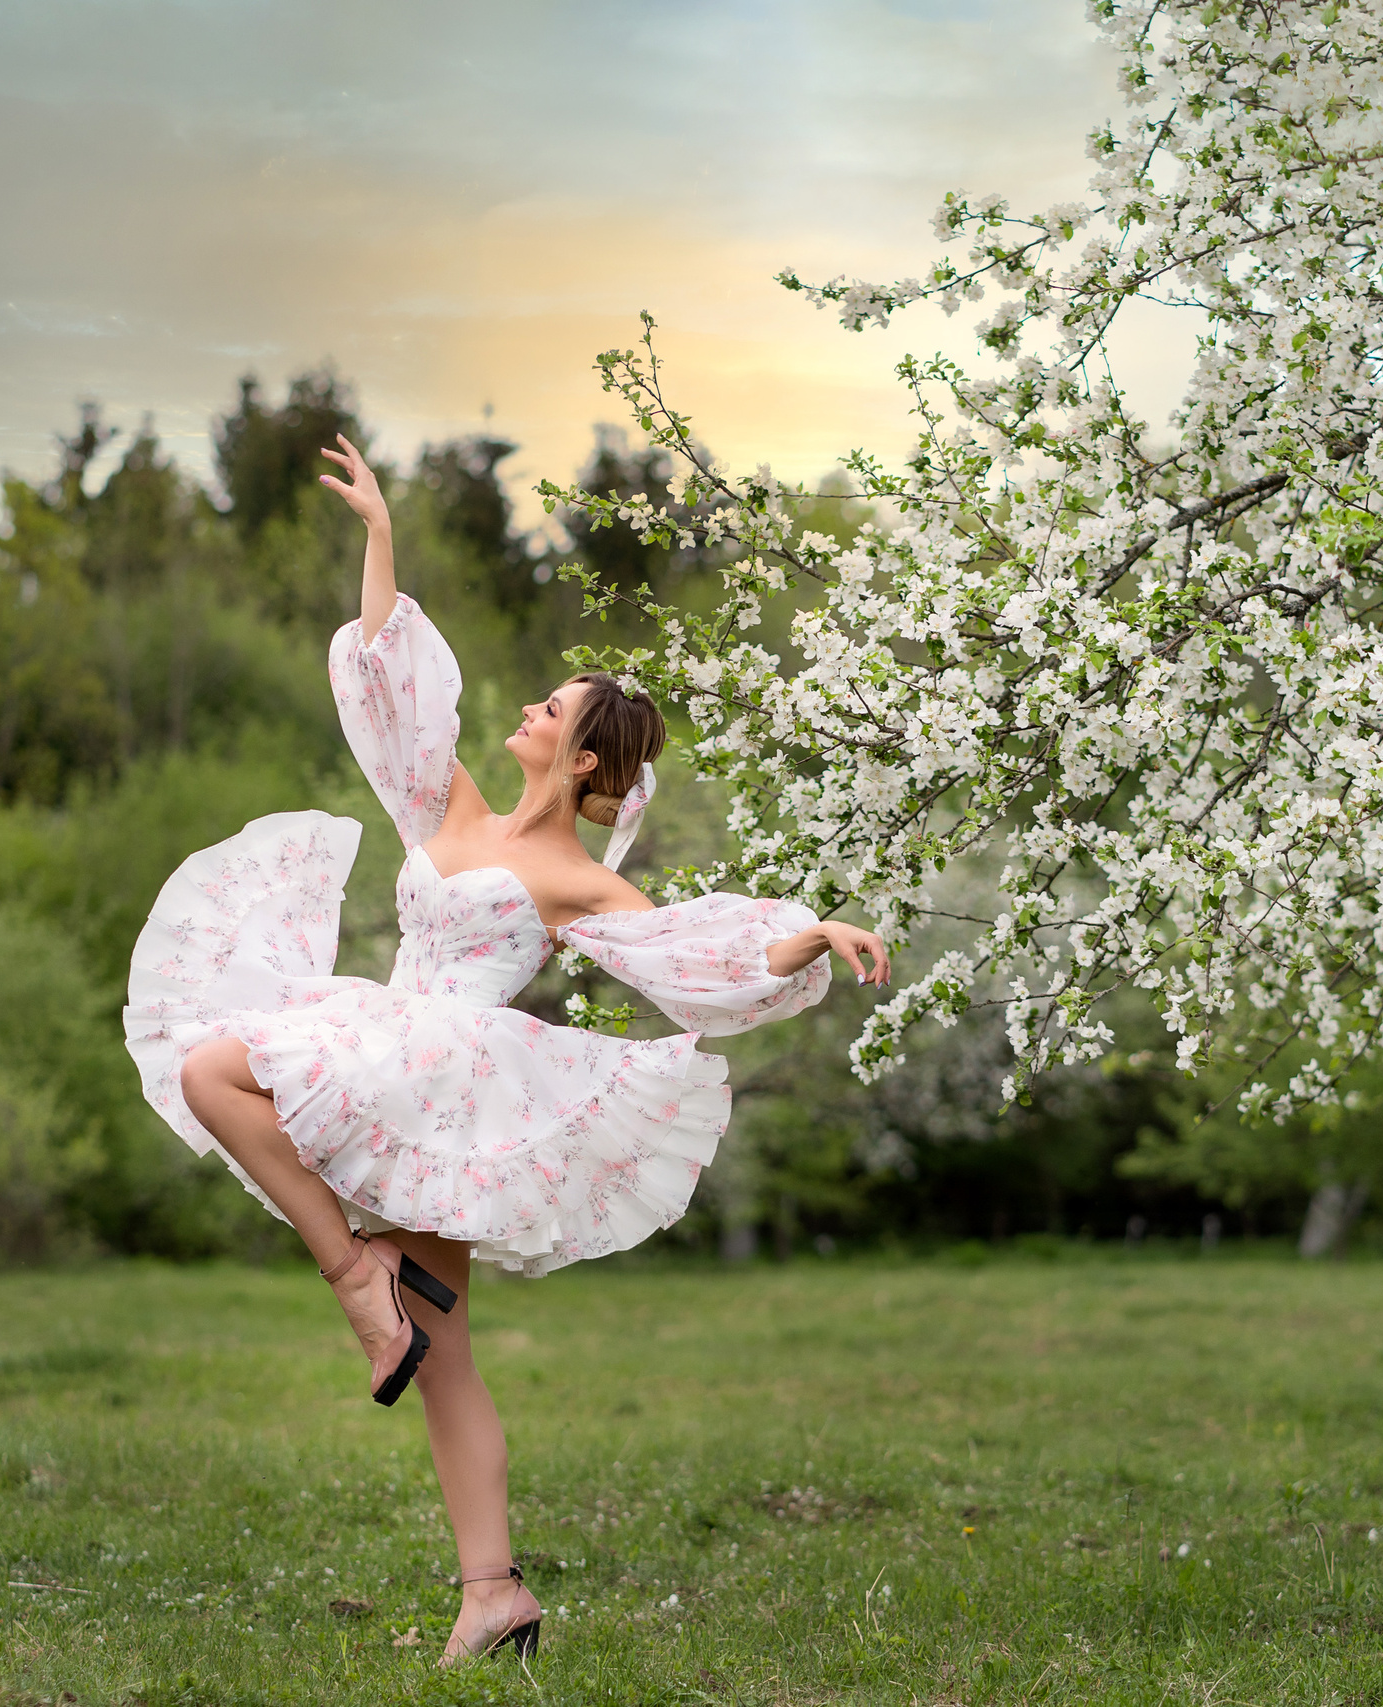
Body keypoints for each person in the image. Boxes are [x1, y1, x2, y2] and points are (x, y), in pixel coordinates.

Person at [122, 435, 890, 1664]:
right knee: (225, 1086)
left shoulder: (577, 879)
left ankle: (362, 1290)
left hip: (450, 1080)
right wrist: (381, 536)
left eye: (553, 708)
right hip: (388, 1045)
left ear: (582, 758)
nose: (530, 708)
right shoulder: (454, 806)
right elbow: (390, 689)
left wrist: (811, 936)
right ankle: (491, 1585)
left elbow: (694, 951)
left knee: (222, 1076)